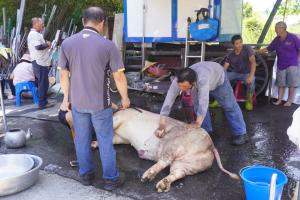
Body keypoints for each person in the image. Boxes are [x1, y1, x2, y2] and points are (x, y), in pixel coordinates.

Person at [59, 7, 130, 191]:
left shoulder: (67, 43)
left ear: (83, 21)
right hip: (100, 104)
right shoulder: (107, 45)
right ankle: (110, 179)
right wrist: (125, 98)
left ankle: (86, 175)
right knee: (105, 140)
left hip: (77, 103)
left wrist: (66, 99)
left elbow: (63, 76)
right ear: (102, 23)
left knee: (81, 139)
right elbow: (119, 77)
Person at [155, 61, 248, 145]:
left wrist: (197, 124)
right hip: (201, 80)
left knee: (229, 106)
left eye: (184, 86)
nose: (182, 89)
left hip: (218, 80)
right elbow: (169, 99)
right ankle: (206, 132)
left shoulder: (202, 80)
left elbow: (204, 102)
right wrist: (162, 124)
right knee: (197, 106)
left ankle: (241, 133)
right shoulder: (179, 80)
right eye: (180, 86)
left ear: (193, 83)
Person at [259, 21, 300, 106]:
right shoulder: (277, 39)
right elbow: (269, 48)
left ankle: (289, 101)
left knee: (291, 84)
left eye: (276, 28)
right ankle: (279, 100)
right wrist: (256, 51)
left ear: (282, 28)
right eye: (275, 28)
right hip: (281, 64)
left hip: (292, 63)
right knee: (281, 83)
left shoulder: (293, 37)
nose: (275, 30)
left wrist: (297, 59)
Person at [223, 35, 256, 111]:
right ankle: (220, 99)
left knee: (252, 80)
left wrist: (251, 76)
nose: (240, 45)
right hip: (235, 73)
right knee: (222, 78)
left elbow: (253, 63)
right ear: (233, 45)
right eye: (237, 43)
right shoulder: (230, 54)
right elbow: (225, 67)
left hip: (246, 73)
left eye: (241, 42)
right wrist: (221, 76)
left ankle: (249, 100)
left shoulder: (247, 49)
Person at [27, 17, 52, 109]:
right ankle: (42, 103)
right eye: (41, 24)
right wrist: (47, 44)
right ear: (35, 24)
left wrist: (46, 46)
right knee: (42, 83)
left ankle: (43, 101)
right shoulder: (33, 34)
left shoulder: (37, 34)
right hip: (39, 62)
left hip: (42, 61)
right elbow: (38, 47)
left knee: (44, 83)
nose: (43, 26)